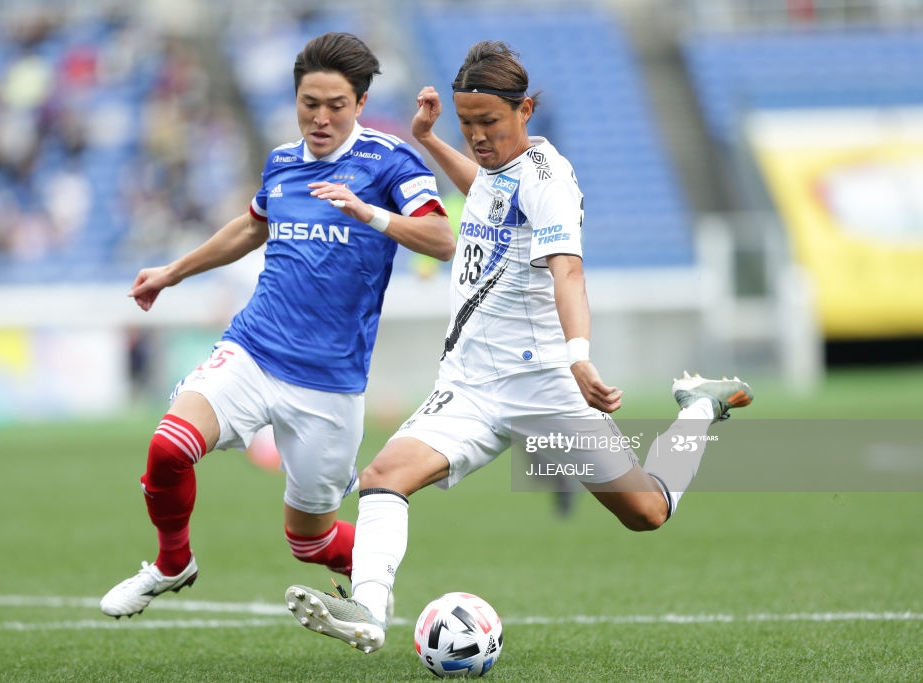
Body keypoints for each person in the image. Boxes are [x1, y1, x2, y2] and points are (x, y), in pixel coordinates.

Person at [285, 40, 753, 653]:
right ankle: (369, 611)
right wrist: (429, 140)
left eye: (490, 122)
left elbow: (568, 271)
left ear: (525, 109)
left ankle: (697, 407)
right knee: (382, 479)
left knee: (647, 512)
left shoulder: (547, 180)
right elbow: (484, 191)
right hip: (470, 383)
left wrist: (580, 354)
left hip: (545, 386)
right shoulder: (499, 168)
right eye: (467, 122)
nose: (478, 135)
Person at [99, 32, 454, 618]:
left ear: (360, 104)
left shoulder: (390, 162)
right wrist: (173, 272)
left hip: (329, 382)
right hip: (253, 349)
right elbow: (250, 226)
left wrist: (369, 213)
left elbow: (442, 239)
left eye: (335, 105)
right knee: (168, 449)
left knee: (309, 540)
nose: (320, 118)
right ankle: (171, 563)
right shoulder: (283, 163)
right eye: (308, 103)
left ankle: (374, 591)